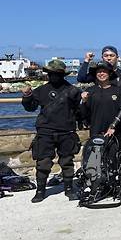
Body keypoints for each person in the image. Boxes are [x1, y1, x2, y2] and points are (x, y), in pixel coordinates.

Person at [21, 59, 82, 203]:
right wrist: (27, 96)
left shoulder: (73, 90)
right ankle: (40, 190)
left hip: (66, 131)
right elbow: (30, 108)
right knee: (43, 162)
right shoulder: (41, 90)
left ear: (63, 75)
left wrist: (84, 104)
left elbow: (79, 111)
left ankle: (69, 188)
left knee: (67, 161)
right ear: (48, 74)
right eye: (51, 73)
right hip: (45, 131)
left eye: (57, 74)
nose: (54, 76)